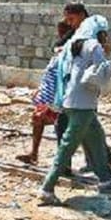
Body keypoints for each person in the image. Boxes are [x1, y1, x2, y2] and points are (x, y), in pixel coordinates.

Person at [39, 15, 111, 205]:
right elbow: (100, 69)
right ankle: (47, 188)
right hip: (83, 103)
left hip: (72, 100)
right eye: (104, 33)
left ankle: (106, 179)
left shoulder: (73, 43)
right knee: (67, 146)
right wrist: (107, 55)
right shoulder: (94, 46)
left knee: (97, 138)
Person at [17, 21, 72, 166]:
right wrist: (41, 91)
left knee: (80, 130)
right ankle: (35, 154)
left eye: (62, 30)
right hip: (50, 97)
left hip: (58, 99)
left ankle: (106, 161)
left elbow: (60, 79)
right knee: (39, 119)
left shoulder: (66, 53)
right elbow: (50, 76)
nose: (59, 33)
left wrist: (52, 102)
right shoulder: (59, 52)